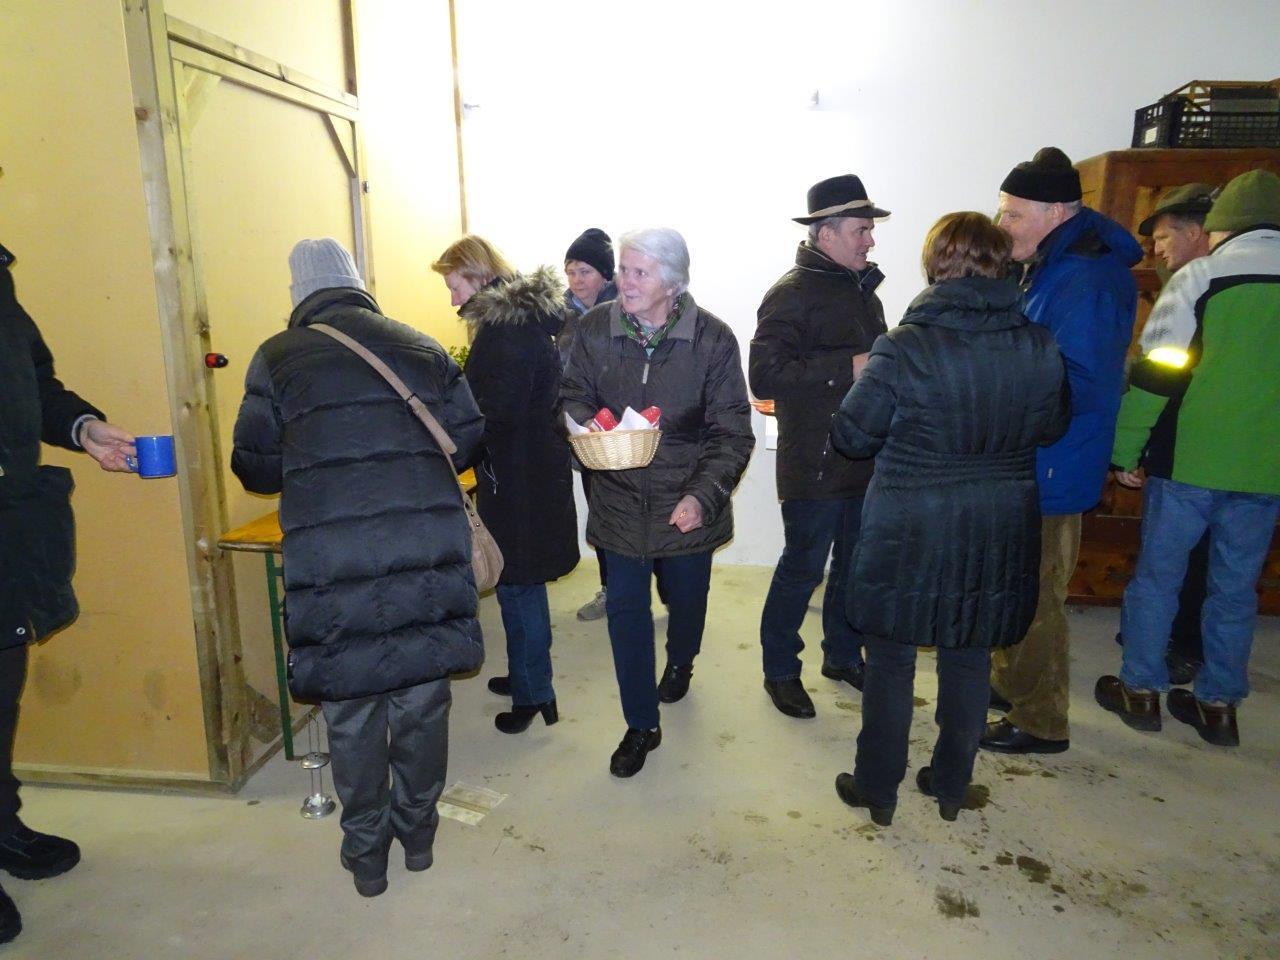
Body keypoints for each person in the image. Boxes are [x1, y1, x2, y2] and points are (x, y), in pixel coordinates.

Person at [231, 238, 485, 897]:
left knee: (351, 711)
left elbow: (255, 468)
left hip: (332, 558)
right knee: (422, 700)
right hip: (422, 547)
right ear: (358, 283)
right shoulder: (420, 345)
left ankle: (367, 858)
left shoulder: (276, 357)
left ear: (299, 293)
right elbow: (468, 439)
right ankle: (419, 839)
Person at [829, 212, 1069, 826]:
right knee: (969, 653)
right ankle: (951, 785)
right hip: (999, 523)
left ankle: (878, 789)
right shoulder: (1038, 343)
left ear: (936, 264)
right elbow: (1052, 426)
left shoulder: (904, 346)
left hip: (911, 522)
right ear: (1000, 265)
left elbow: (853, 436)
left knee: (891, 659)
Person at [1095, 170, 1280, 747]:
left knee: (1158, 580)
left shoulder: (1202, 277)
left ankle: (1140, 691)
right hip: (1266, 469)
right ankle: (1219, 706)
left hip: (1189, 464)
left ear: (1220, 227)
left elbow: (1158, 373)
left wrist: (1126, 450)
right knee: (1235, 590)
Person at [561, 228, 754, 777]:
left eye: (639, 273)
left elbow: (732, 433)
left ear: (673, 283)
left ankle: (682, 662)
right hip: (619, 498)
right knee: (627, 613)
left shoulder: (712, 339)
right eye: (623, 270)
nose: (624, 282)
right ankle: (641, 725)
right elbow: (572, 396)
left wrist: (702, 496)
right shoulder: (595, 329)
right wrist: (590, 431)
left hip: (684, 502)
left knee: (687, 601)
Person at [982, 147, 1140, 756]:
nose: (1002, 226)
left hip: (1053, 457)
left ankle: (1042, 719)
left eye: (1012, 214)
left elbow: (1081, 382)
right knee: (1016, 581)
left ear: (1056, 212)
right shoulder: (1053, 264)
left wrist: (1005, 410)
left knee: (1037, 592)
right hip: (1038, 454)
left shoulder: (1086, 277)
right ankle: (1010, 683)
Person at [0, 240, 137, 944]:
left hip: (10, 522)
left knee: (3, 687)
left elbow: (33, 384)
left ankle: (3, 825)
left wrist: (83, 429)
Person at [748, 174, 888, 720]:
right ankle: (781, 670)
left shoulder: (862, 289)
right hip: (815, 461)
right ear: (826, 233)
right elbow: (764, 376)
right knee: (802, 568)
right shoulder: (792, 293)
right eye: (860, 230)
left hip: (862, 455)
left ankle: (842, 654)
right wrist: (848, 366)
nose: (870, 241)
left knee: (854, 565)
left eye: (870, 230)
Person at [430, 236, 579, 733]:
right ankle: (525, 676)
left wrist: (452, 451)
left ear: (476, 275)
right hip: (527, 474)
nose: (453, 299)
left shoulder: (505, 333)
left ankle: (535, 694)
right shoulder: (517, 323)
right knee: (517, 583)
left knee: (518, 586)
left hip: (520, 482)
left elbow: (493, 416)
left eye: (454, 286)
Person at [1113, 183, 1217, 685]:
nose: (1156, 250)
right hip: (1255, 461)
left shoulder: (1194, 284)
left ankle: (1147, 672)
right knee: (1226, 574)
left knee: (1167, 568)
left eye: (1162, 238)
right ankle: (1215, 689)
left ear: (1195, 232)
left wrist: (1128, 450)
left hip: (1187, 452)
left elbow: (1160, 375)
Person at [560, 228, 619, 622]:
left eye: (584, 271)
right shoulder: (560, 318)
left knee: (645, 515)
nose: (576, 280)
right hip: (585, 436)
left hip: (629, 435)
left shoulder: (628, 309)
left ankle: (667, 585)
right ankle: (611, 590)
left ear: (605, 274)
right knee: (600, 519)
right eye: (570, 272)